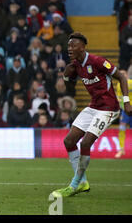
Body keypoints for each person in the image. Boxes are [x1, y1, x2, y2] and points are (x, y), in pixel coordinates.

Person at [51, 32, 132, 198]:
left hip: (109, 108)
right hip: (93, 107)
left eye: (73, 45)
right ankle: (83, 182)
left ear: (83, 47)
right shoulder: (76, 65)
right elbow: (67, 88)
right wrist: (66, 75)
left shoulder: (97, 61)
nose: (70, 49)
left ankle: (75, 185)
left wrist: (127, 102)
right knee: (69, 141)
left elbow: (122, 77)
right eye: (68, 46)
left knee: (86, 142)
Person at [114, 70, 132, 158]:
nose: (122, 75)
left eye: (123, 74)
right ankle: (121, 149)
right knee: (121, 128)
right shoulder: (118, 85)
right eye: (120, 74)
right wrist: (122, 107)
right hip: (126, 110)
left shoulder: (130, 82)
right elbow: (119, 98)